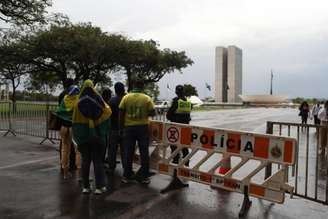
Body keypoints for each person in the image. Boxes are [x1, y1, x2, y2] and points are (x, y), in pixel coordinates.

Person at [72, 80, 112, 194]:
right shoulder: (100, 103)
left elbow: (74, 122)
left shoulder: (77, 104)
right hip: (97, 137)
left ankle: (85, 187)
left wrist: (78, 136)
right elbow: (108, 113)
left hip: (84, 138)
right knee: (98, 161)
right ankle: (99, 187)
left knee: (85, 161)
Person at [119, 80, 155, 184]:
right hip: (142, 128)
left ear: (134, 85)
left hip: (128, 128)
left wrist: (121, 128)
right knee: (144, 152)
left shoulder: (126, 97)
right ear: (142, 86)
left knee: (128, 152)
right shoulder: (147, 98)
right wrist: (144, 112)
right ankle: (144, 177)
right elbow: (153, 112)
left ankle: (126, 176)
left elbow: (121, 113)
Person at [55, 85, 81, 179]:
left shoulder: (64, 100)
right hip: (74, 128)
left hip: (63, 127)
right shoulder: (78, 100)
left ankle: (65, 173)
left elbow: (58, 111)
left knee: (65, 150)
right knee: (78, 150)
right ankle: (79, 174)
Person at [166, 85, 192, 165]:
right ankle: (186, 163)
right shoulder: (188, 102)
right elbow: (188, 115)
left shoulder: (176, 101)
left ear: (176, 92)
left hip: (176, 127)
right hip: (185, 127)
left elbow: (168, 115)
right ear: (183, 92)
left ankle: (175, 162)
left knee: (174, 146)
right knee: (184, 146)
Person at [58, 78, 77, 171]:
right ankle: (73, 165)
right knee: (75, 148)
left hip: (63, 124)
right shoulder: (74, 95)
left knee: (64, 147)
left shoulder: (61, 94)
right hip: (72, 125)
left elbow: (60, 110)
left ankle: (63, 165)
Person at [107, 82, 126, 175]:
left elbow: (108, 115)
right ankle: (126, 168)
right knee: (125, 150)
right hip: (125, 129)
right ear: (123, 89)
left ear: (115, 90)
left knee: (112, 150)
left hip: (113, 128)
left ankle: (111, 168)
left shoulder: (111, 101)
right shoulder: (127, 99)